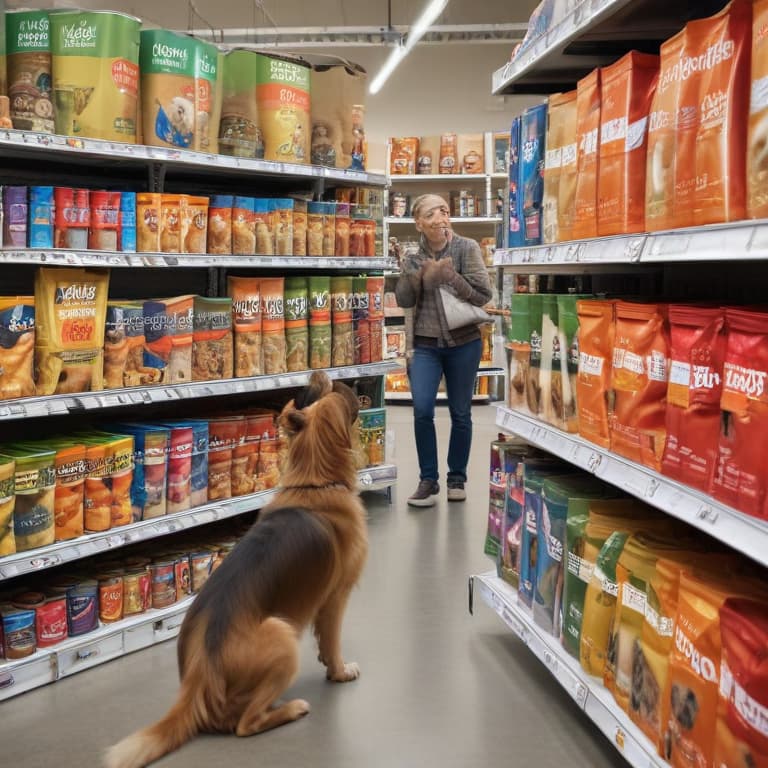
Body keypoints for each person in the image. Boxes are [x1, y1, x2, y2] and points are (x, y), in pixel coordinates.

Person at [395, 194, 492, 507]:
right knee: (422, 409)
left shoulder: (467, 248)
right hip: (425, 346)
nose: (439, 217)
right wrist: (418, 277)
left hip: (464, 343)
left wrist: (450, 276)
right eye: (430, 213)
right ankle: (428, 479)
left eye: (444, 211)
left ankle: (456, 478)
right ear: (419, 223)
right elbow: (404, 300)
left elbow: (482, 295)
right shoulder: (412, 256)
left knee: (460, 412)